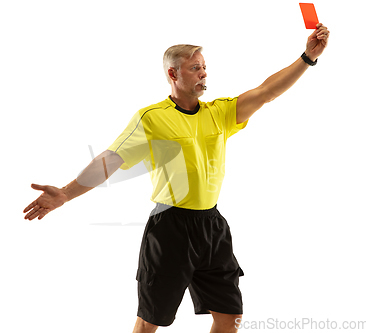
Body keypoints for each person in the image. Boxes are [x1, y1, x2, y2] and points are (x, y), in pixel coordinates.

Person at [23, 23, 330, 333]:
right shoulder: (152, 117)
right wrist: (64, 192)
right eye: (195, 68)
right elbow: (110, 160)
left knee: (229, 315)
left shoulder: (220, 112)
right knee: (151, 320)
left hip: (212, 225)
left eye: (204, 67)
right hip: (170, 227)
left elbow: (266, 92)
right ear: (174, 74)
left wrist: (307, 57)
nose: (203, 73)